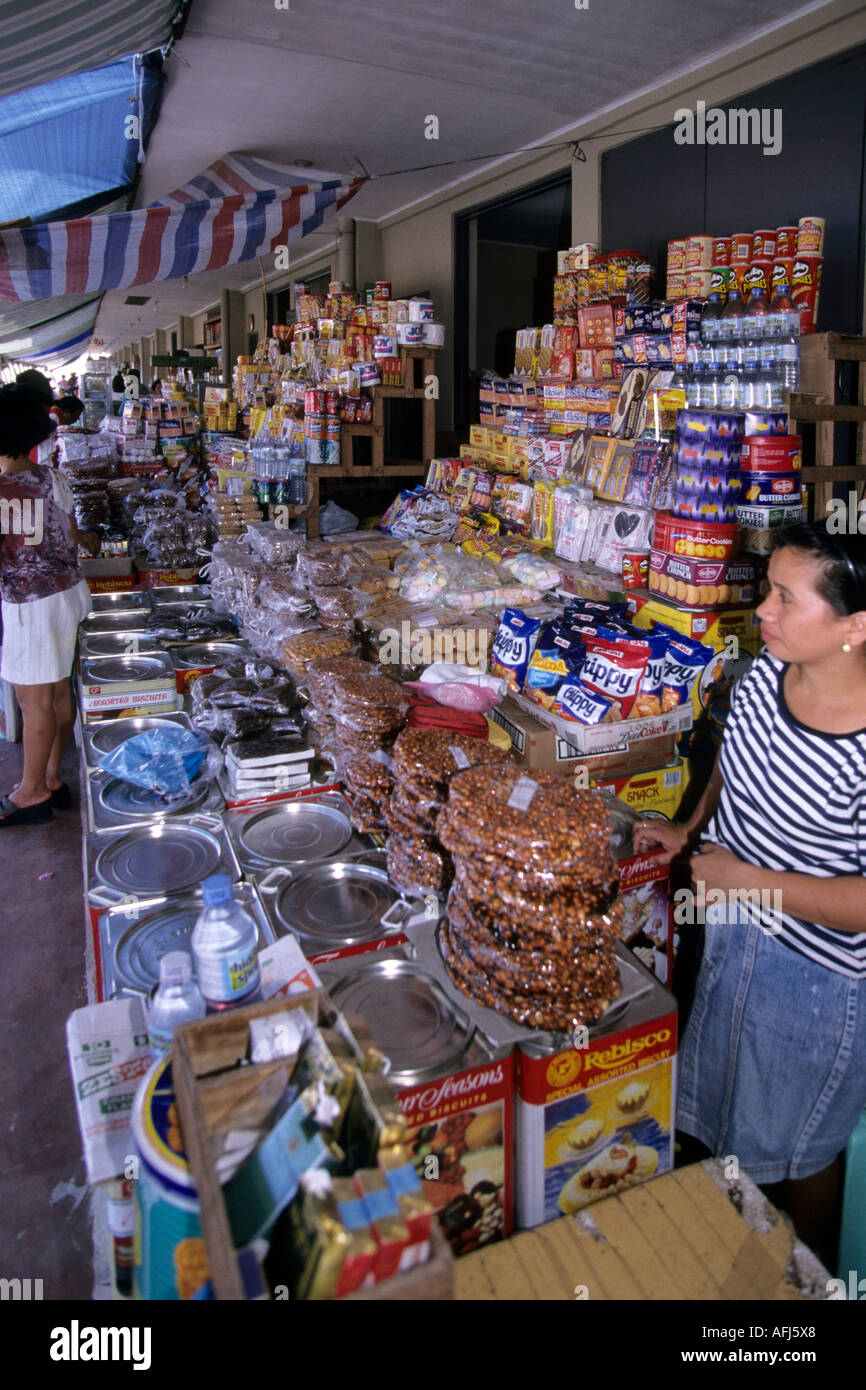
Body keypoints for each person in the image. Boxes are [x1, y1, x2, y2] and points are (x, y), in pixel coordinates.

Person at [633, 519, 866, 1268]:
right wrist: (688, 831)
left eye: (784, 598)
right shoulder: (769, 671)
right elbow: (735, 766)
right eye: (768, 590)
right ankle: (739, 1254)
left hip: (817, 979)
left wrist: (749, 883)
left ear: (854, 627)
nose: (762, 610)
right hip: (735, 932)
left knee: (801, 1146)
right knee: (733, 1111)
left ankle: (811, 1281)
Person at [0, 384, 99, 825]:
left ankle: (31, 791)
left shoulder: (2, 490)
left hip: (29, 604)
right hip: (67, 594)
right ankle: (54, 777)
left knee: (32, 701)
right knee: (59, 690)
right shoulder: (53, 478)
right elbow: (71, 532)